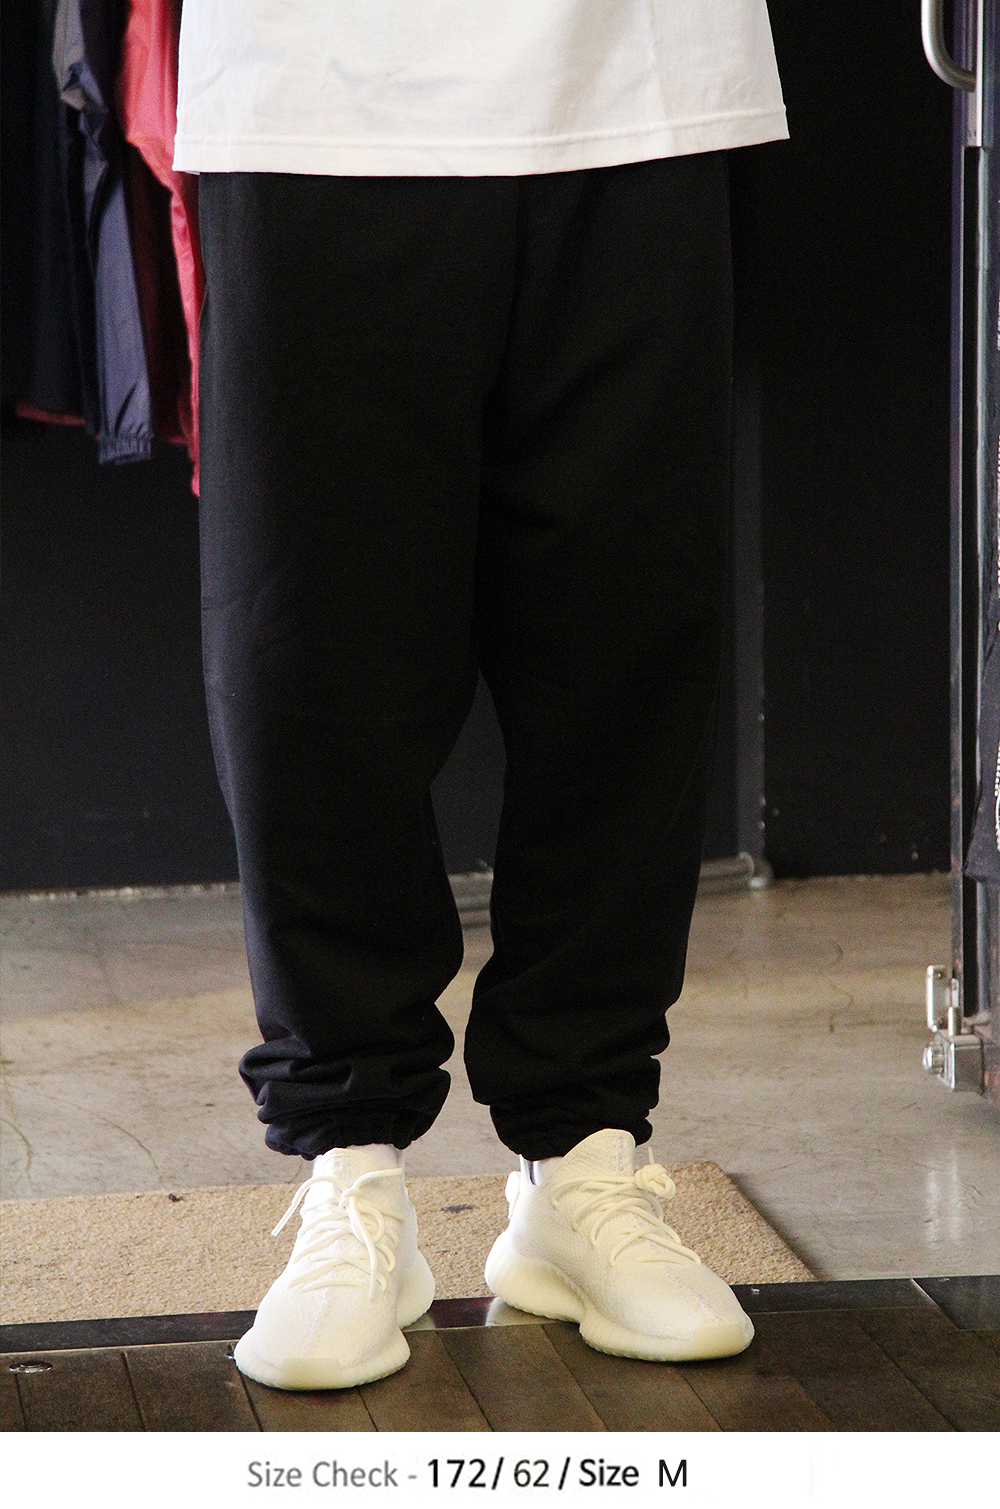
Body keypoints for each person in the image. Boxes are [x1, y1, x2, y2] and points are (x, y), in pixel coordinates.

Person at [173, 1, 788, 1390]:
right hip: (317, 91)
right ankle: (351, 1171)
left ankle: (583, 1163)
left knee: (624, 645)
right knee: (313, 666)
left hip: (642, 79)